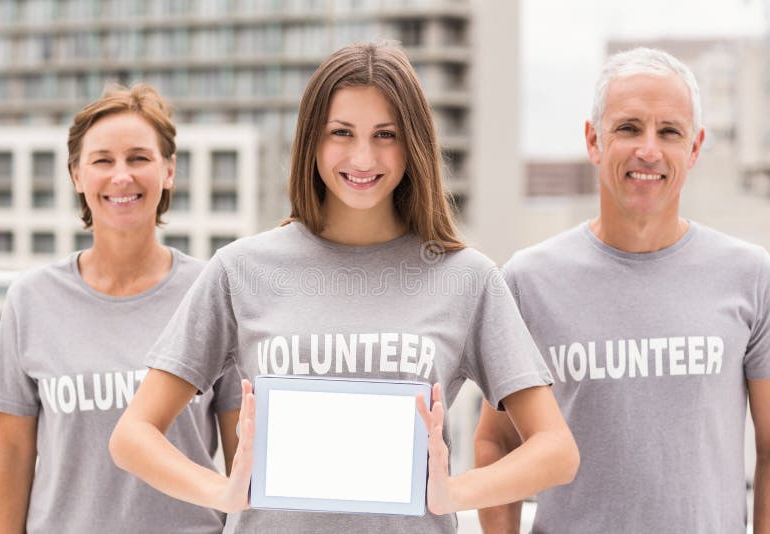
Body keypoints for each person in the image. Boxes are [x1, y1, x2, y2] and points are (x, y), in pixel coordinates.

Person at [109, 42, 579, 533]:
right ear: (312, 141)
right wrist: (223, 491)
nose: (363, 156)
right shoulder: (240, 269)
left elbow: (556, 451)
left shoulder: (467, 278)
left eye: (385, 135)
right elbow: (132, 436)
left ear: (412, 143)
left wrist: (453, 491)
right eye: (342, 133)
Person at [474, 47, 770, 533]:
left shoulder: (749, 275)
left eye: (669, 132)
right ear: (594, 140)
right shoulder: (529, 281)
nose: (648, 150)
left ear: (694, 149)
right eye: (629, 128)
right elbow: (497, 442)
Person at [0, 83, 241, 534]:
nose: (122, 176)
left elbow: (244, 454)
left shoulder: (213, 291)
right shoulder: (31, 299)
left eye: (139, 158)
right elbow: (12, 453)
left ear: (169, 170)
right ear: (77, 175)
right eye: (103, 160)